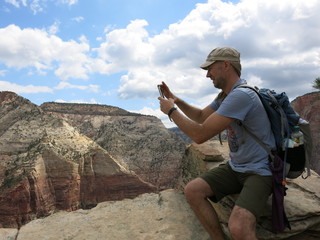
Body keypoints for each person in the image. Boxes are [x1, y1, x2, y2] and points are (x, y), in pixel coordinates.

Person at [158, 47, 275, 240]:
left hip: (259, 171)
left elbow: (200, 134)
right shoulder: (227, 95)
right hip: (236, 167)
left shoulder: (242, 96)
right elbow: (201, 116)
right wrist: (176, 101)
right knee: (193, 191)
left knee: (239, 227)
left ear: (226, 65)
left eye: (210, 68)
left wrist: (171, 112)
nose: (207, 75)